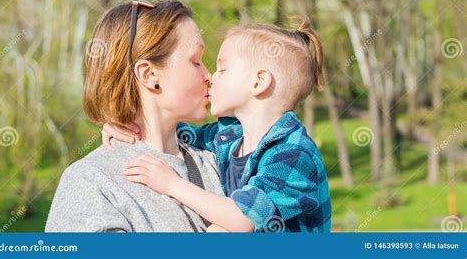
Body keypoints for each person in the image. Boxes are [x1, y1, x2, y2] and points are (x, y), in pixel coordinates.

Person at [103, 19, 332, 232]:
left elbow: (243, 219)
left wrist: (172, 184)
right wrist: (127, 126)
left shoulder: (293, 155)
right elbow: (173, 132)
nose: (211, 77)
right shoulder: (229, 136)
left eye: (222, 69)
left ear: (259, 82)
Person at [45, 0, 223, 232]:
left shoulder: (220, 156)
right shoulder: (92, 183)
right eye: (196, 61)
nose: (208, 75)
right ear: (149, 74)